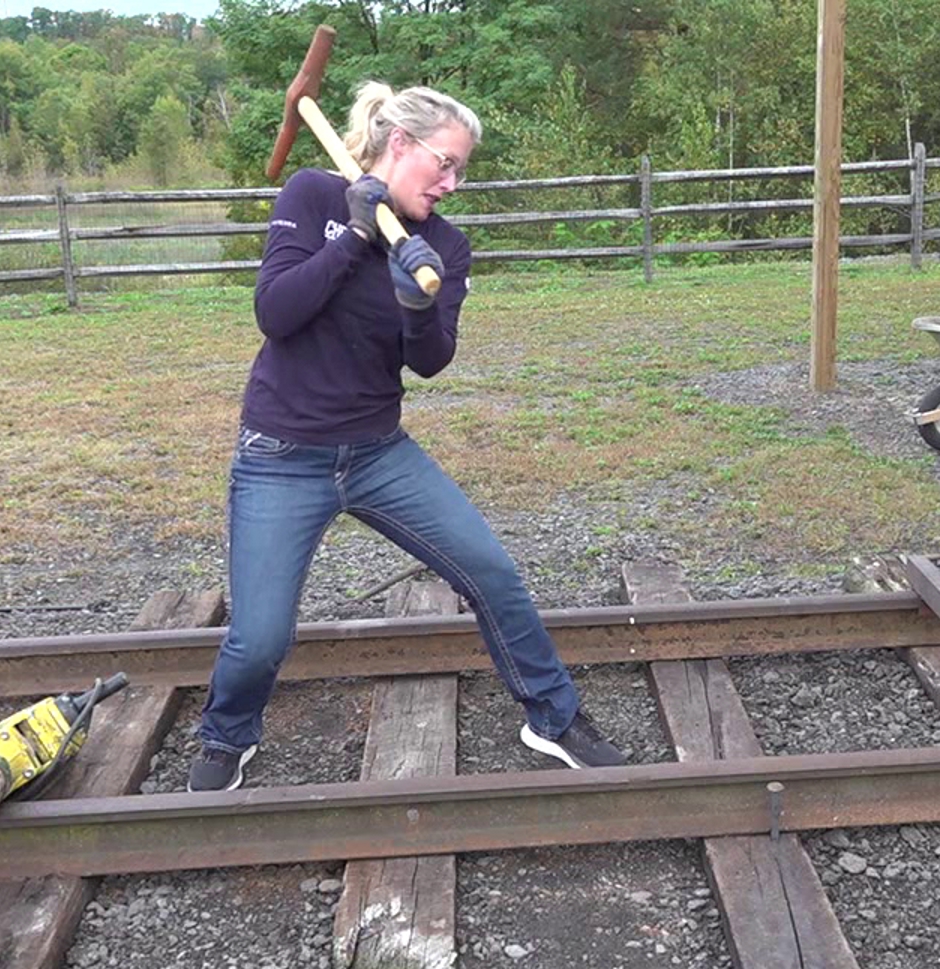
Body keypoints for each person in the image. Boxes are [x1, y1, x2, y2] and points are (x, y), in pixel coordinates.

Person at [188, 81, 628, 793]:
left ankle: (553, 718)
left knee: (493, 575)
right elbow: (276, 311)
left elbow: (429, 360)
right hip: (281, 456)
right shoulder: (312, 196)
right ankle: (226, 735)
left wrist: (416, 303)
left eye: (461, 171)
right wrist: (359, 235)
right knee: (261, 637)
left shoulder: (443, 246)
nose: (453, 184)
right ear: (400, 145)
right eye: (445, 164)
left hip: (377, 452)